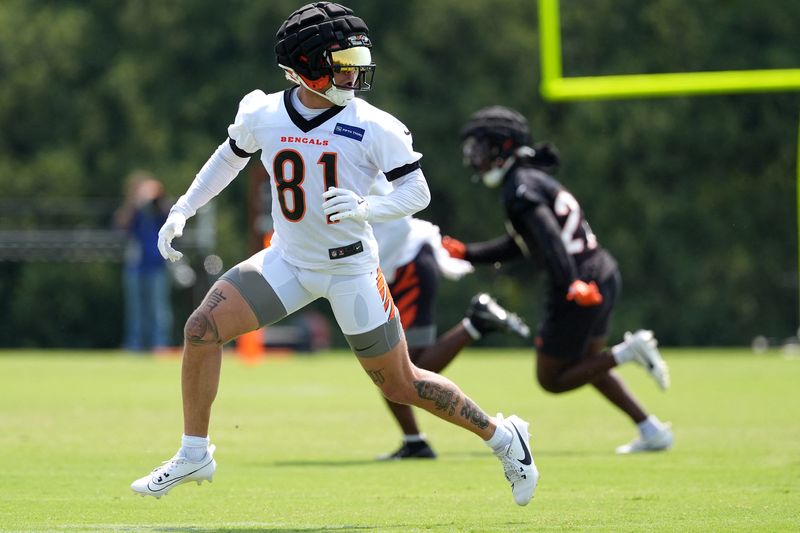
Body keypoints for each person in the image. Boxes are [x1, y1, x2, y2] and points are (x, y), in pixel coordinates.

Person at [131, 3, 538, 506]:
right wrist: (185, 207)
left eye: (356, 61)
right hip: (289, 262)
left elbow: (418, 193)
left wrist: (367, 207)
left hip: (350, 269)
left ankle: (503, 437)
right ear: (305, 65)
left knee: (401, 384)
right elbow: (229, 157)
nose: (353, 72)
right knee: (200, 329)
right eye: (341, 62)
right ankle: (194, 453)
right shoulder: (263, 113)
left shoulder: (375, 125)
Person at [443, 105, 674, 454]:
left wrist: (570, 283)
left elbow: (549, 237)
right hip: (600, 269)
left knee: (551, 378)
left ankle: (629, 352)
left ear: (502, 147)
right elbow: (523, 244)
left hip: (579, 279)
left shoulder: (518, 187)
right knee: (586, 365)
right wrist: (469, 253)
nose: (474, 155)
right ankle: (650, 429)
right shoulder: (532, 179)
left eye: (481, 146)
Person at [371, 203, 531, 460]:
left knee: (395, 370)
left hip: (407, 266)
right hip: (401, 267)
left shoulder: (355, 166)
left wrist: (370, 267)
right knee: (391, 370)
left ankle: (475, 325)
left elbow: (398, 222)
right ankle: (414, 442)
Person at [114, 172, 173, 352]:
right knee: (136, 311)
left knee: (159, 310)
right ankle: (135, 344)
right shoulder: (135, 211)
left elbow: (171, 218)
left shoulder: (160, 210)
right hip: (135, 267)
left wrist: (158, 198)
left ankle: (159, 344)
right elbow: (121, 226)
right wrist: (135, 203)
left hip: (158, 266)